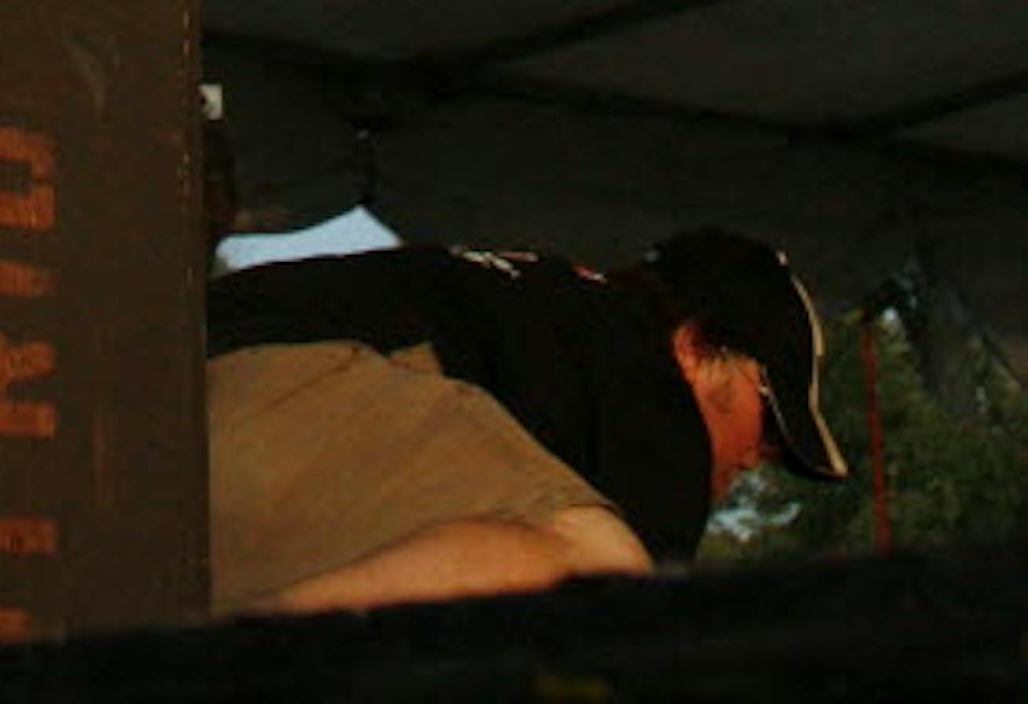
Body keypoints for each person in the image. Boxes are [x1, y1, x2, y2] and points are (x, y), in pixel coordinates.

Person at [206, 227, 850, 615]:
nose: (760, 454)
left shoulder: (547, 326)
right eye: (769, 419)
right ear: (694, 349)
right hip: (264, 394)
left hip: (170, 390)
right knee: (603, 588)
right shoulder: (648, 390)